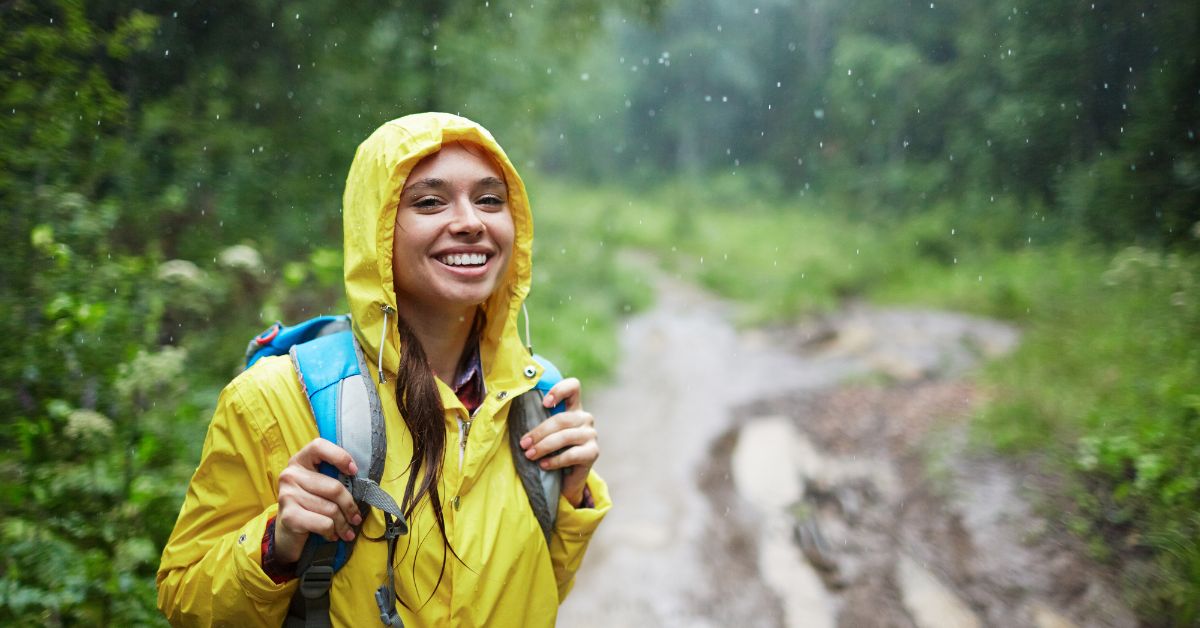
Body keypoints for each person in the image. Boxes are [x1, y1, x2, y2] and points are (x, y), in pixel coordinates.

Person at [156, 113, 610, 627]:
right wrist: (276, 544)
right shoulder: (276, 398)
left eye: (489, 199)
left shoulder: (536, 398)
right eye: (429, 201)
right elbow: (185, 601)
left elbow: (537, 595)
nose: (470, 221)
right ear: (375, 229)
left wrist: (569, 496)